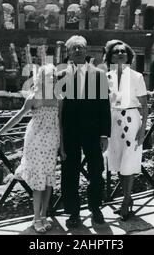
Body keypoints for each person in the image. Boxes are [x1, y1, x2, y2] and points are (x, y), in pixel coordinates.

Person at [0, 64, 63, 234]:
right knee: (38, 183)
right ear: (41, 78)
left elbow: (60, 124)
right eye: (48, 75)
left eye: (54, 75)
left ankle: (44, 215)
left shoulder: (59, 97)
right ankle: (36, 218)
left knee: (48, 182)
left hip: (52, 142)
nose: (52, 78)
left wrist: (62, 146)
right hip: (35, 143)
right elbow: (18, 117)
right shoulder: (33, 97)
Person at [60, 35, 111, 228]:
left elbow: (104, 105)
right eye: (74, 48)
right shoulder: (60, 76)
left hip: (93, 131)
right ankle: (73, 212)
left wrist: (105, 133)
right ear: (69, 53)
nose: (78, 51)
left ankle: (95, 208)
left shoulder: (98, 74)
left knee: (96, 171)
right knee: (69, 171)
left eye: (81, 47)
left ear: (86, 50)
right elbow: (58, 108)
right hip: (70, 132)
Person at [104, 40, 148, 221]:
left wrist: (143, 129)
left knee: (129, 162)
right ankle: (127, 198)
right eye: (116, 52)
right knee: (119, 163)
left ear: (128, 56)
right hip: (113, 122)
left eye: (123, 51)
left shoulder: (137, 77)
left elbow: (145, 105)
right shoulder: (107, 77)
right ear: (110, 57)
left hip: (131, 122)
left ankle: (125, 202)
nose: (120, 54)